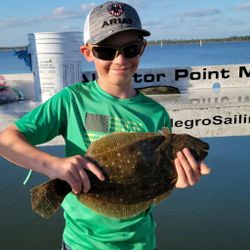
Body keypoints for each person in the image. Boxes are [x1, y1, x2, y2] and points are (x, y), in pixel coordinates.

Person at [0, 1, 211, 249]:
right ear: (88, 53)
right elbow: (6, 140)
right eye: (106, 51)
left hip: (141, 241)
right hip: (81, 243)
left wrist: (176, 180)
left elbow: (151, 184)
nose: (120, 59)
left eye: (130, 49)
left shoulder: (156, 113)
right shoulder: (72, 100)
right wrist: (52, 165)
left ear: (142, 48)